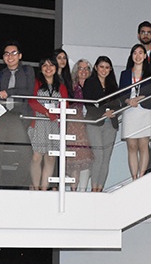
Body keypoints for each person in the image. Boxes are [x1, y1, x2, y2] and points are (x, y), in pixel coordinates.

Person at [0, 41, 36, 188]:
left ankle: (16, 184)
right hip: (0, 116)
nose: (10, 56)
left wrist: (9, 92)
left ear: (20, 55)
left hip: (18, 116)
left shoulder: (27, 70)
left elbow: (28, 91)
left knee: (27, 153)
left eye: (13, 53)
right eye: (6, 54)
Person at [26, 56, 70, 190]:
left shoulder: (61, 86)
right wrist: (46, 112)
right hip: (38, 122)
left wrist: (55, 113)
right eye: (45, 65)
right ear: (41, 69)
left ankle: (44, 188)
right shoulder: (36, 83)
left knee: (50, 157)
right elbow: (31, 101)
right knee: (36, 157)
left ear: (56, 68)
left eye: (51, 65)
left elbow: (65, 105)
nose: (48, 68)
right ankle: (36, 185)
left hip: (54, 124)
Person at [118, 44, 151, 180]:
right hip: (130, 111)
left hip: (144, 111)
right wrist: (129, 101)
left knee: (144, 145)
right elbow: (121, 93)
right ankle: (134, 177)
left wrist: (139, 98)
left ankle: (142, 176)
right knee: (131, 146)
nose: (138, 56)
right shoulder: (125, 74)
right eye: (135, 53)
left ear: (145, 56)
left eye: (141, 53)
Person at [82, 55, 120, 191]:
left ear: (110, 70)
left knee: (106, 158)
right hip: (95, 122)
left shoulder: (113, 84)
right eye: (102, 67)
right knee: (98, 156)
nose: (104, 70)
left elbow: (118, 103)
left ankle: (100, 188)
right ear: (96, 68)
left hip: (111, 123)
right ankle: (93, 189)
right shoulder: (89, 82)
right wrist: (105, 111)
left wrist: (112, 111)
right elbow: (89, 103)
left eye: (107, 67)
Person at [67, 57, 94, 190]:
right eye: (80, 68)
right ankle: (74, 190)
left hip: (92, 124)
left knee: (88, 160)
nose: (83, 71)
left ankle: (83, 190)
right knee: (76, 160)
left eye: (86, 68)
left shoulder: (95, 85)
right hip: (75, 126)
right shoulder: (71, 86)